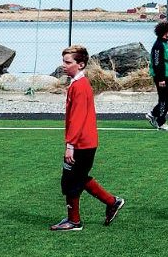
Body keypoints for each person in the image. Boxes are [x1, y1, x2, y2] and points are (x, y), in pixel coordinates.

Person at [50, 45, 126, 231]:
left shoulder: (80, 86)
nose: (64, 66)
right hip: (84, 143)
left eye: (68, 62)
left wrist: (70, 145)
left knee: (70, 182)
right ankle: (111, 202)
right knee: (77, 178)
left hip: (82, 144)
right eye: (64, 61)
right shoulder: (77, 84)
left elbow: (77, 118)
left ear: (81, 64)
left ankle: (74, 221)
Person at [147, 21, 168, 131]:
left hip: (167, 76)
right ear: (165, 32)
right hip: (162, 78)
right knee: (164, 100)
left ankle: (153, 114)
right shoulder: (158, 45)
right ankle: (160, 122)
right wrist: (161, 79)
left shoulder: (164, 43)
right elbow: (157, 63)